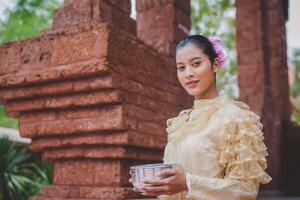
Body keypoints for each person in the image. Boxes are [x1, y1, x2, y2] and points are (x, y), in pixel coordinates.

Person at [129, 34, 272, 199]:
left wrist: (188, 183)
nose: (188, 73)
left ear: (215, 65)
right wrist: (154, 183)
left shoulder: (235, 118)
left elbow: (245, 190)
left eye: (196, 64)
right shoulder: (181, 122)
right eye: (181, 67)